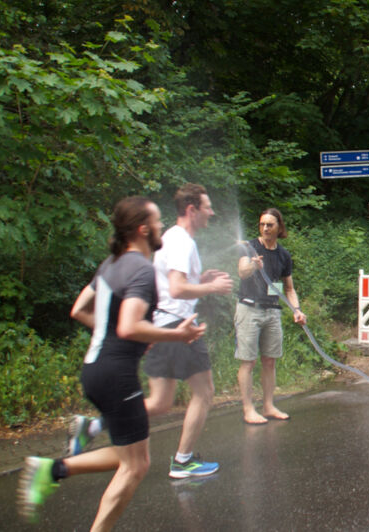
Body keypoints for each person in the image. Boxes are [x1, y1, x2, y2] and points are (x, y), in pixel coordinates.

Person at [19, 197, 206, 530]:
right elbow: (128, 325)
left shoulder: (111, 264)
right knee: (134, 467)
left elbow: (79, 310)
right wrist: (176, 336)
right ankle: (58, 477)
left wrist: (128, 338)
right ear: (143, 228)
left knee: (131, 458)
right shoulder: (141, 269)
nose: (163, 226)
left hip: (95, 369)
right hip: (117, 375)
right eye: (158, 221)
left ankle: (54, 470)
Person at [142, 183, 233, 478]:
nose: (212, 212)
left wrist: (200, 278)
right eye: (207, 207)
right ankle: (183, 461)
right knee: (205, 392)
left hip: (164, 323)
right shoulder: (182, 241)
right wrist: (211, 287)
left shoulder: (171, 237)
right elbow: (177, 288)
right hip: (178, 326)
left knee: (159, 402)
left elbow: (175, 284)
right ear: (192, 210)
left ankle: (94, 424)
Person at [236, 208, 307, 424]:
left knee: (270, 361)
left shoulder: (283, 255)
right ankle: (248, 409)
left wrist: (297, 309)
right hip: (249, 308)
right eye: (262, 224)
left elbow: (289, 289)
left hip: (273, 311)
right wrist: (253, 265)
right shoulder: (249, 247)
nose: (265, 228)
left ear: (279, 228)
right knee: (248, 361)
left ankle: (268, 406)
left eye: (270, 225)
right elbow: (241, 272)